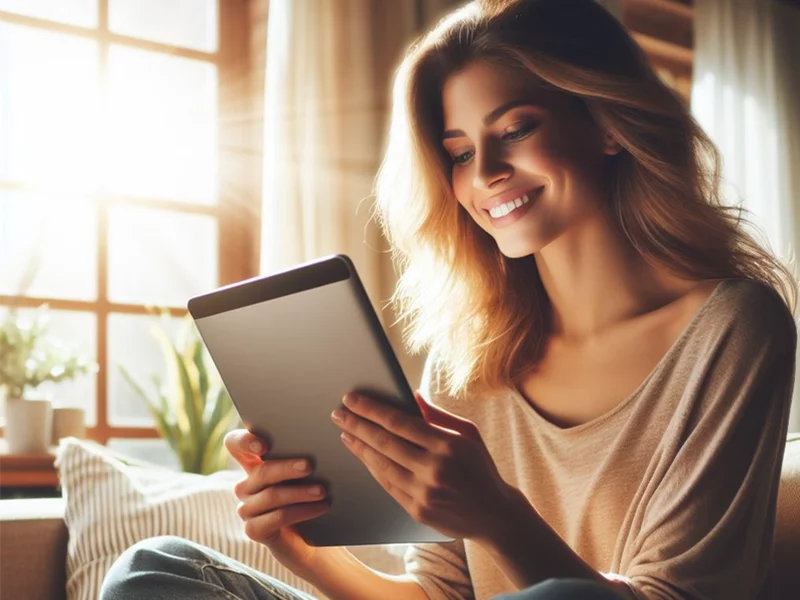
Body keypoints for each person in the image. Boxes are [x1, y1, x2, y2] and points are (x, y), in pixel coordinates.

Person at [100, 0, 798, 599]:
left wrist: (497, 515)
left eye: (516, 129)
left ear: (607, 122)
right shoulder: (471, 359)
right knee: (155, 570)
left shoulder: (732, 326)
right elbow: (439, 594)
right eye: (460, 152)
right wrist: (300, 551)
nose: (487, 174)